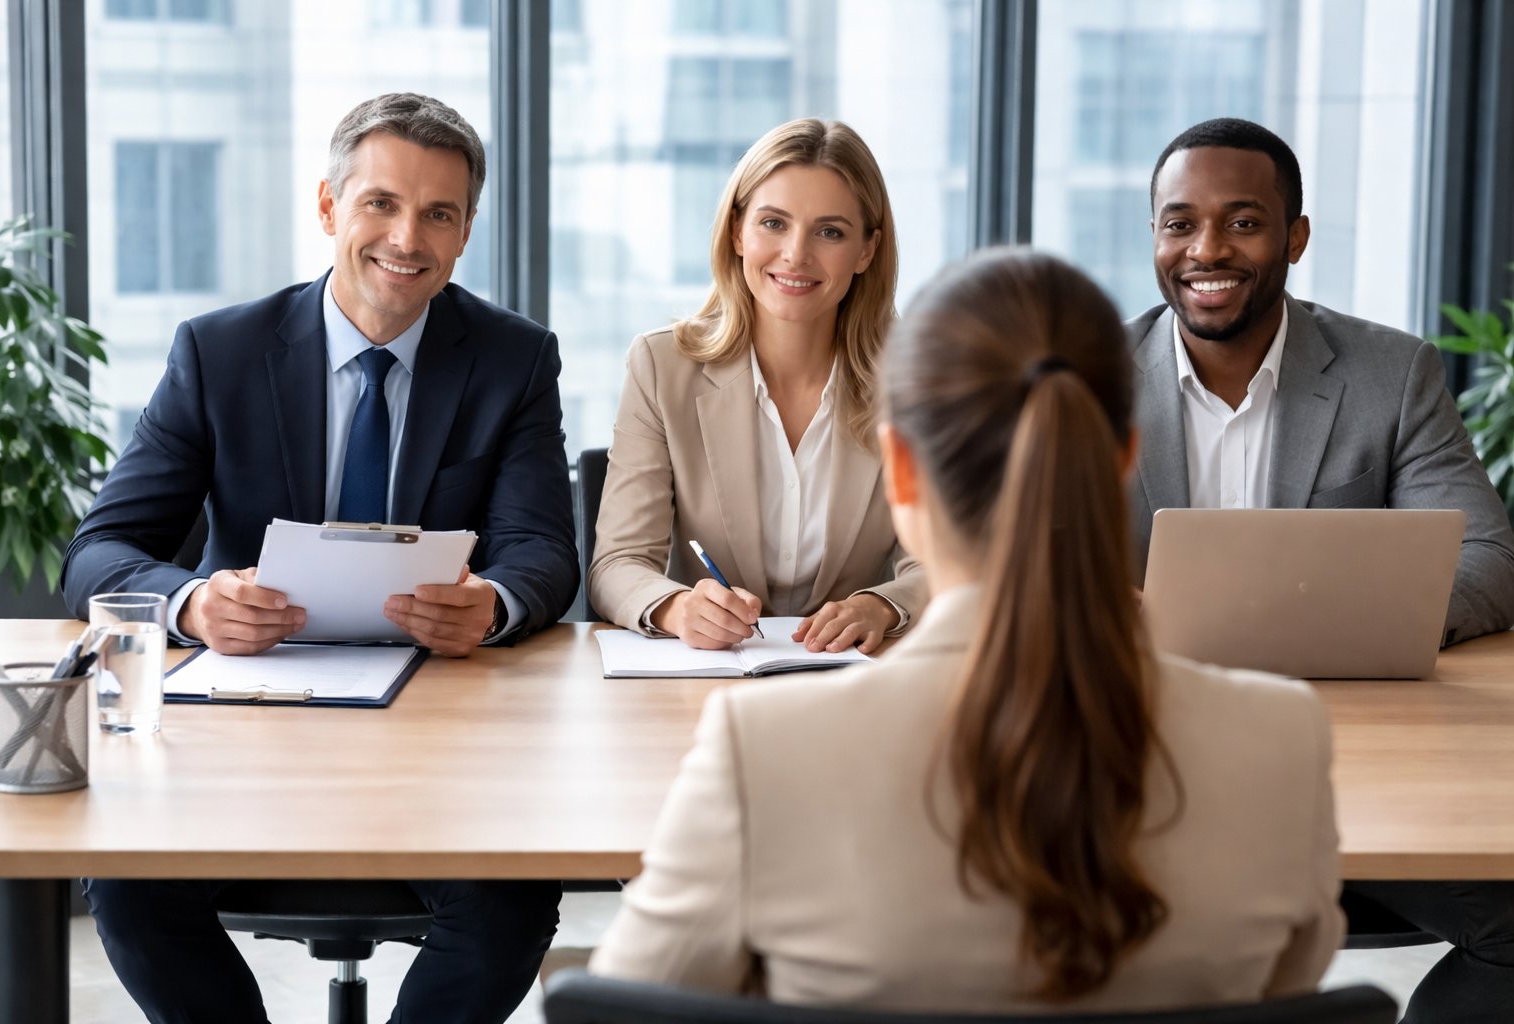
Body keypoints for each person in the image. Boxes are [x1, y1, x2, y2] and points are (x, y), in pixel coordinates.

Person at [589, 249, 1343, 1011]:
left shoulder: (763, 752)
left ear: (902, 470)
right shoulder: (1285, 739)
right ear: (1119, 458)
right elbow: (1290, 989)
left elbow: (624, 1005)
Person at [60, 93, 577, 1024]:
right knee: (128, 884)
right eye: (380, 203)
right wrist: (193, 601)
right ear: (330, 207)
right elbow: (100, 550)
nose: (406, 237)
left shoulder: (513, 358)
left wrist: (495, 602)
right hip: (246, 733)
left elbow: (542, 546)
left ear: (464, 235)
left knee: (510, 901)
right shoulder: (219, 351)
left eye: (440, 214)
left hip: (441, 743)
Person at [1134, 116, 1514, 1024]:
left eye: (1243, 221)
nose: (1207, 249)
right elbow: (1005, 567)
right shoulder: (1080, 380)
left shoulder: (1391, 373)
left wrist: (1364, 614)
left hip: (1346, 769)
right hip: (1139, 764)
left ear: (1295, 236)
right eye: (1179, 223)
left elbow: (1491, 559)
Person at [587, 118, 926, 653]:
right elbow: (618, 564)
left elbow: (951, 562)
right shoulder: (661, 366)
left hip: (855, 679)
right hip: (704, 680)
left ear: (866, 251)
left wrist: (882, 605)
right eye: (774, 223)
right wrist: (677, 607)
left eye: (830, 232)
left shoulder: (917, 380)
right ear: (737, 231)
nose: (796, 254)